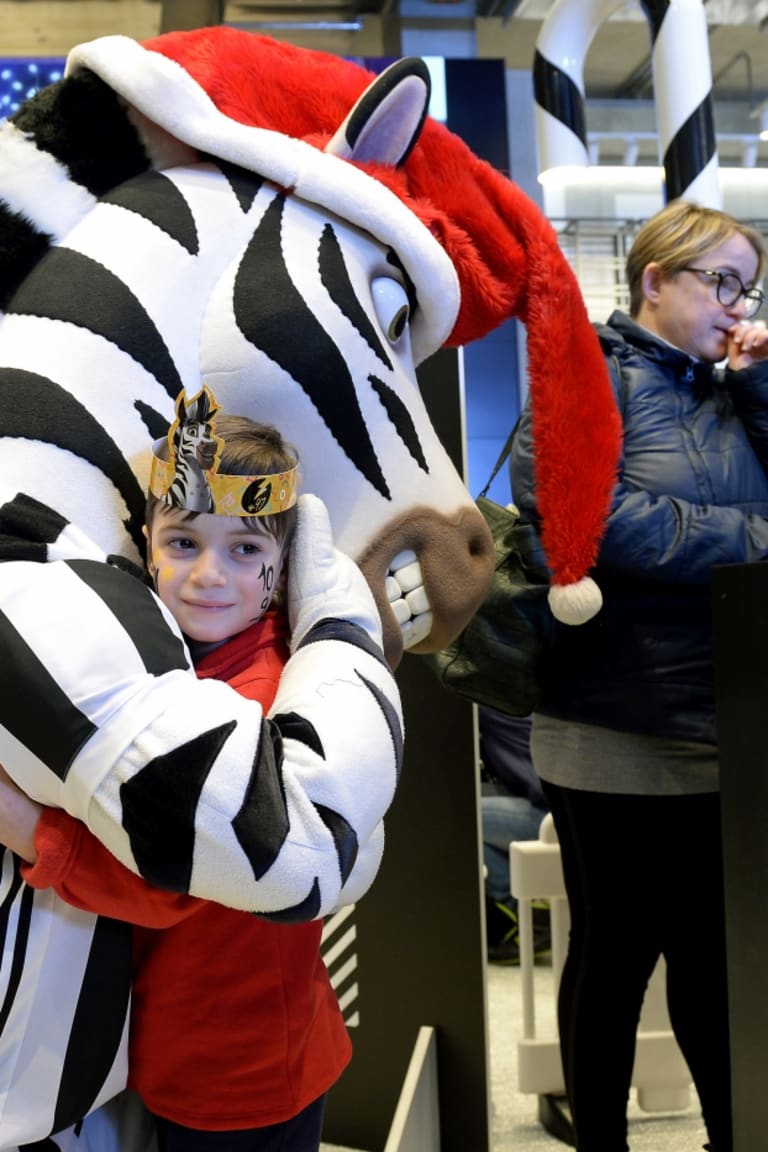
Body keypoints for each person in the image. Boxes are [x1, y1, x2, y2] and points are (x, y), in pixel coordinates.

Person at [0, 397, 351, 1149]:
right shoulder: (171, 661)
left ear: (282, 563)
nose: (206, 576)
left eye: (245, 551)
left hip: (240, 1067)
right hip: (190, 1041)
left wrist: (29, 827)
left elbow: (178, 882)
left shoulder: (257, 700)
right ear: (147, 547)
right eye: (185, 542)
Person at [510, 200, 768, 1152]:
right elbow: (598, 528)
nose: (735, 306)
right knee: (616, 951)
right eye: (721, 281)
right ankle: (601, 1144)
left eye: (747, 287)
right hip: (611, 716)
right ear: (655, 279)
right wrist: (756, 545)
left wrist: (762, 385)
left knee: (715, 955)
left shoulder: (728, 389)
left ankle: (734, 1134)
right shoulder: (583, 383)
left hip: (726, 719)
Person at [478, 707, 551, 964]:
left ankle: (524, 915)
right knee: (476, 823)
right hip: (554, 806)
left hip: (548, 815)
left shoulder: (486, 703)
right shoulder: (511, 692)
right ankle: (529, 916)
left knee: (467, 817)